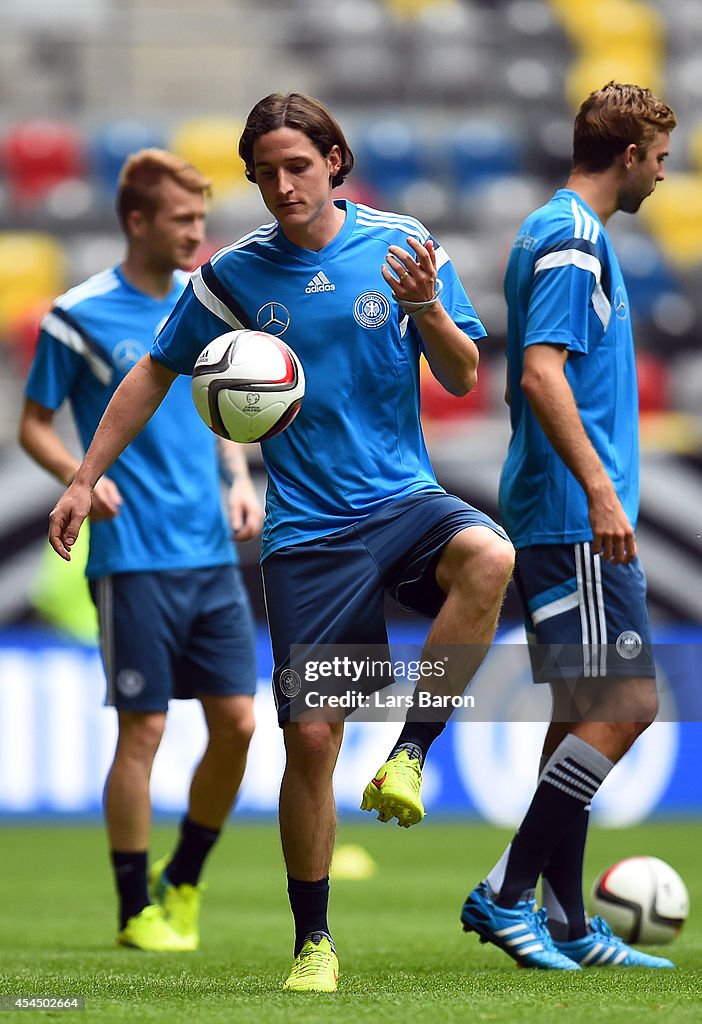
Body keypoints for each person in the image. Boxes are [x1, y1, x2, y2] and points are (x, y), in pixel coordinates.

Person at [46, 94, 515, 991]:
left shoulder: (403, 244)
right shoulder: (233, 278)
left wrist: (426, 311)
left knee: (490, 556)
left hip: (404, 500)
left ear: (335, 161)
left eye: (296, 166)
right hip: (310, 536)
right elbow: (153, 371)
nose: (280, 186)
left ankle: (411, 755)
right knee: (310, 741)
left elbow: (462, 377)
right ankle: (314, 942)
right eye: (263, 173)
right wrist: (81, 476)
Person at [459, 82, 677, 970]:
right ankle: (506, 893)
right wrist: (601, 490)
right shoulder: (572, 241)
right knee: (628, 707)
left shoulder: (567, 233)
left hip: (563, 508)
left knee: (583, 708)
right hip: (569, 512)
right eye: (661, 158)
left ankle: (570, 924)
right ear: (627, 154)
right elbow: (542, 373)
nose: (665, 175)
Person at [20, 149, 261, 952]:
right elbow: (34, 422)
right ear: (137, 222)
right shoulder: (77, 316)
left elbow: (219, 402)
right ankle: (133, 910)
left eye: (201, 217)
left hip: (209, 552)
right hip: (131, 558)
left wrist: (236, 475)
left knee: (238, 724)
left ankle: (183, 878)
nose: (198, 232)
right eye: (182, 219)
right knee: (145, 731)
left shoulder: (209, 308)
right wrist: (78, 477)